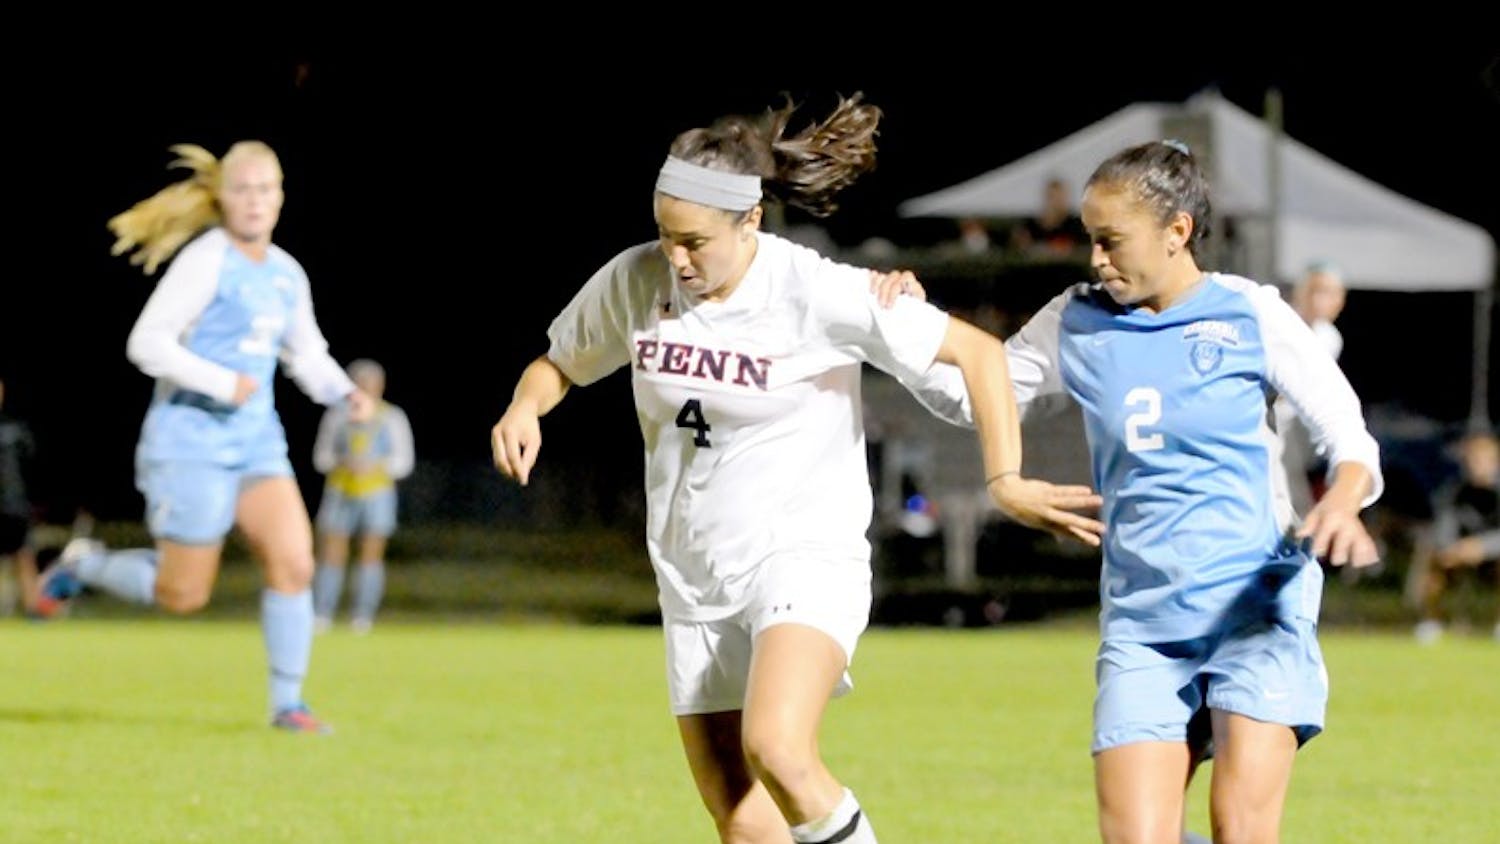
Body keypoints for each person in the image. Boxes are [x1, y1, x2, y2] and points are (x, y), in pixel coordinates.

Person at [489, 93, 1103, 844]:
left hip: (802, 555)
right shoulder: (638, 278)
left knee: (777, 746)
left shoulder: (815, 290)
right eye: (665, 236)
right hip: (691, 572)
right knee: (742, 819)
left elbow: (978, 354)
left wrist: (1004, 478)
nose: (676, 259)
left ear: (750, 219)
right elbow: (560, 362)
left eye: (694, 242)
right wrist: (525, 408)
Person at [885, 140, 1383, 843]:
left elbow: (1349, 435)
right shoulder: (1077, 319)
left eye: (1111, 241)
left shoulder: (1250, 314)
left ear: (1177, 231)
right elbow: (972, 396)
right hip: (1143, 620)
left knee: (1241, 828)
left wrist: (1341, 500)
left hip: (1253, 607)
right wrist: (905, 328)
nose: (1096, 259)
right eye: (1091, 239)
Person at [34, 141, 373, 734]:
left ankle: (287, 705)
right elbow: (146, 343)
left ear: (280, 197)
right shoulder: (206, 260)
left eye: (265, 190)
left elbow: (305, 352)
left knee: (295, 564)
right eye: (242, 190)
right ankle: (84, 565)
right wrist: (220, 381)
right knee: (183, 594)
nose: (254, 201)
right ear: (222, 198)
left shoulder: (286, 273)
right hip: (188, 443)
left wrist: (345, 393)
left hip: (257, 444)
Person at [311, 358, 415, 634]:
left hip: (377, 492)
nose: (367, 389)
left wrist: (376, 466)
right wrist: (343, 463)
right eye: (361, 384)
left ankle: (362, 615)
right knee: (332, 553)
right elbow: (321, 457)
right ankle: (322, 613)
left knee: (371, 554)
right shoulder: (337, 416)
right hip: (341, 490)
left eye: (372, 384)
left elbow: (403, 461)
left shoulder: (392, 417)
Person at [1410, 429, 1500, 643]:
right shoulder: (1454, 492)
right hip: (1461, 555)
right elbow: (1443, 527)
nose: (1478, 466)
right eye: (1473, 460)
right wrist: (1452, 549)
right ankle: (1431, 622)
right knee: (1434, 562)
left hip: (1493, 556)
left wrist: (1481, 547)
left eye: (1484, 460)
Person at [1274, 261, 1349, 514]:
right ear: (1300, 293)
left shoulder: (1330, 338)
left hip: (1290, 427)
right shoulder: (1278, 322)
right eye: (1315, 291)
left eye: (1329, 293)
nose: (1320, 300)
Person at [0, 377, 40, 615]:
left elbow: (30, 466)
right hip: (13, 504)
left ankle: (34, 610)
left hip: (14, 504)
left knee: (24, 557)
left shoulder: (15, 428)